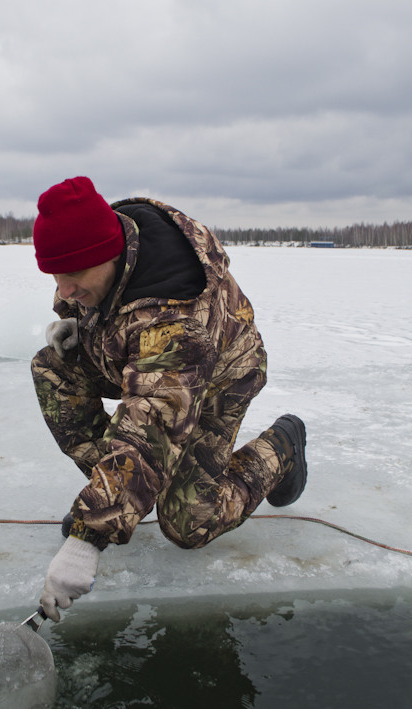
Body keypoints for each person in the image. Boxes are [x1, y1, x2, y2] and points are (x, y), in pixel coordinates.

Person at [31, 176, 307, 621]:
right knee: (52, 369)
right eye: (55, 277)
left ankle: (282, 449)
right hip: (136, 360)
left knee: (188, 522)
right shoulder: (107, 246)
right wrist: (76, 323)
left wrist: (89, 536)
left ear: (109, 253)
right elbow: (85, 295)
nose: (64, 290)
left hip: (217, 380)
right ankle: (123, 495)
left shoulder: (173, 319)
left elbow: (150, 432)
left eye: (74, 276)